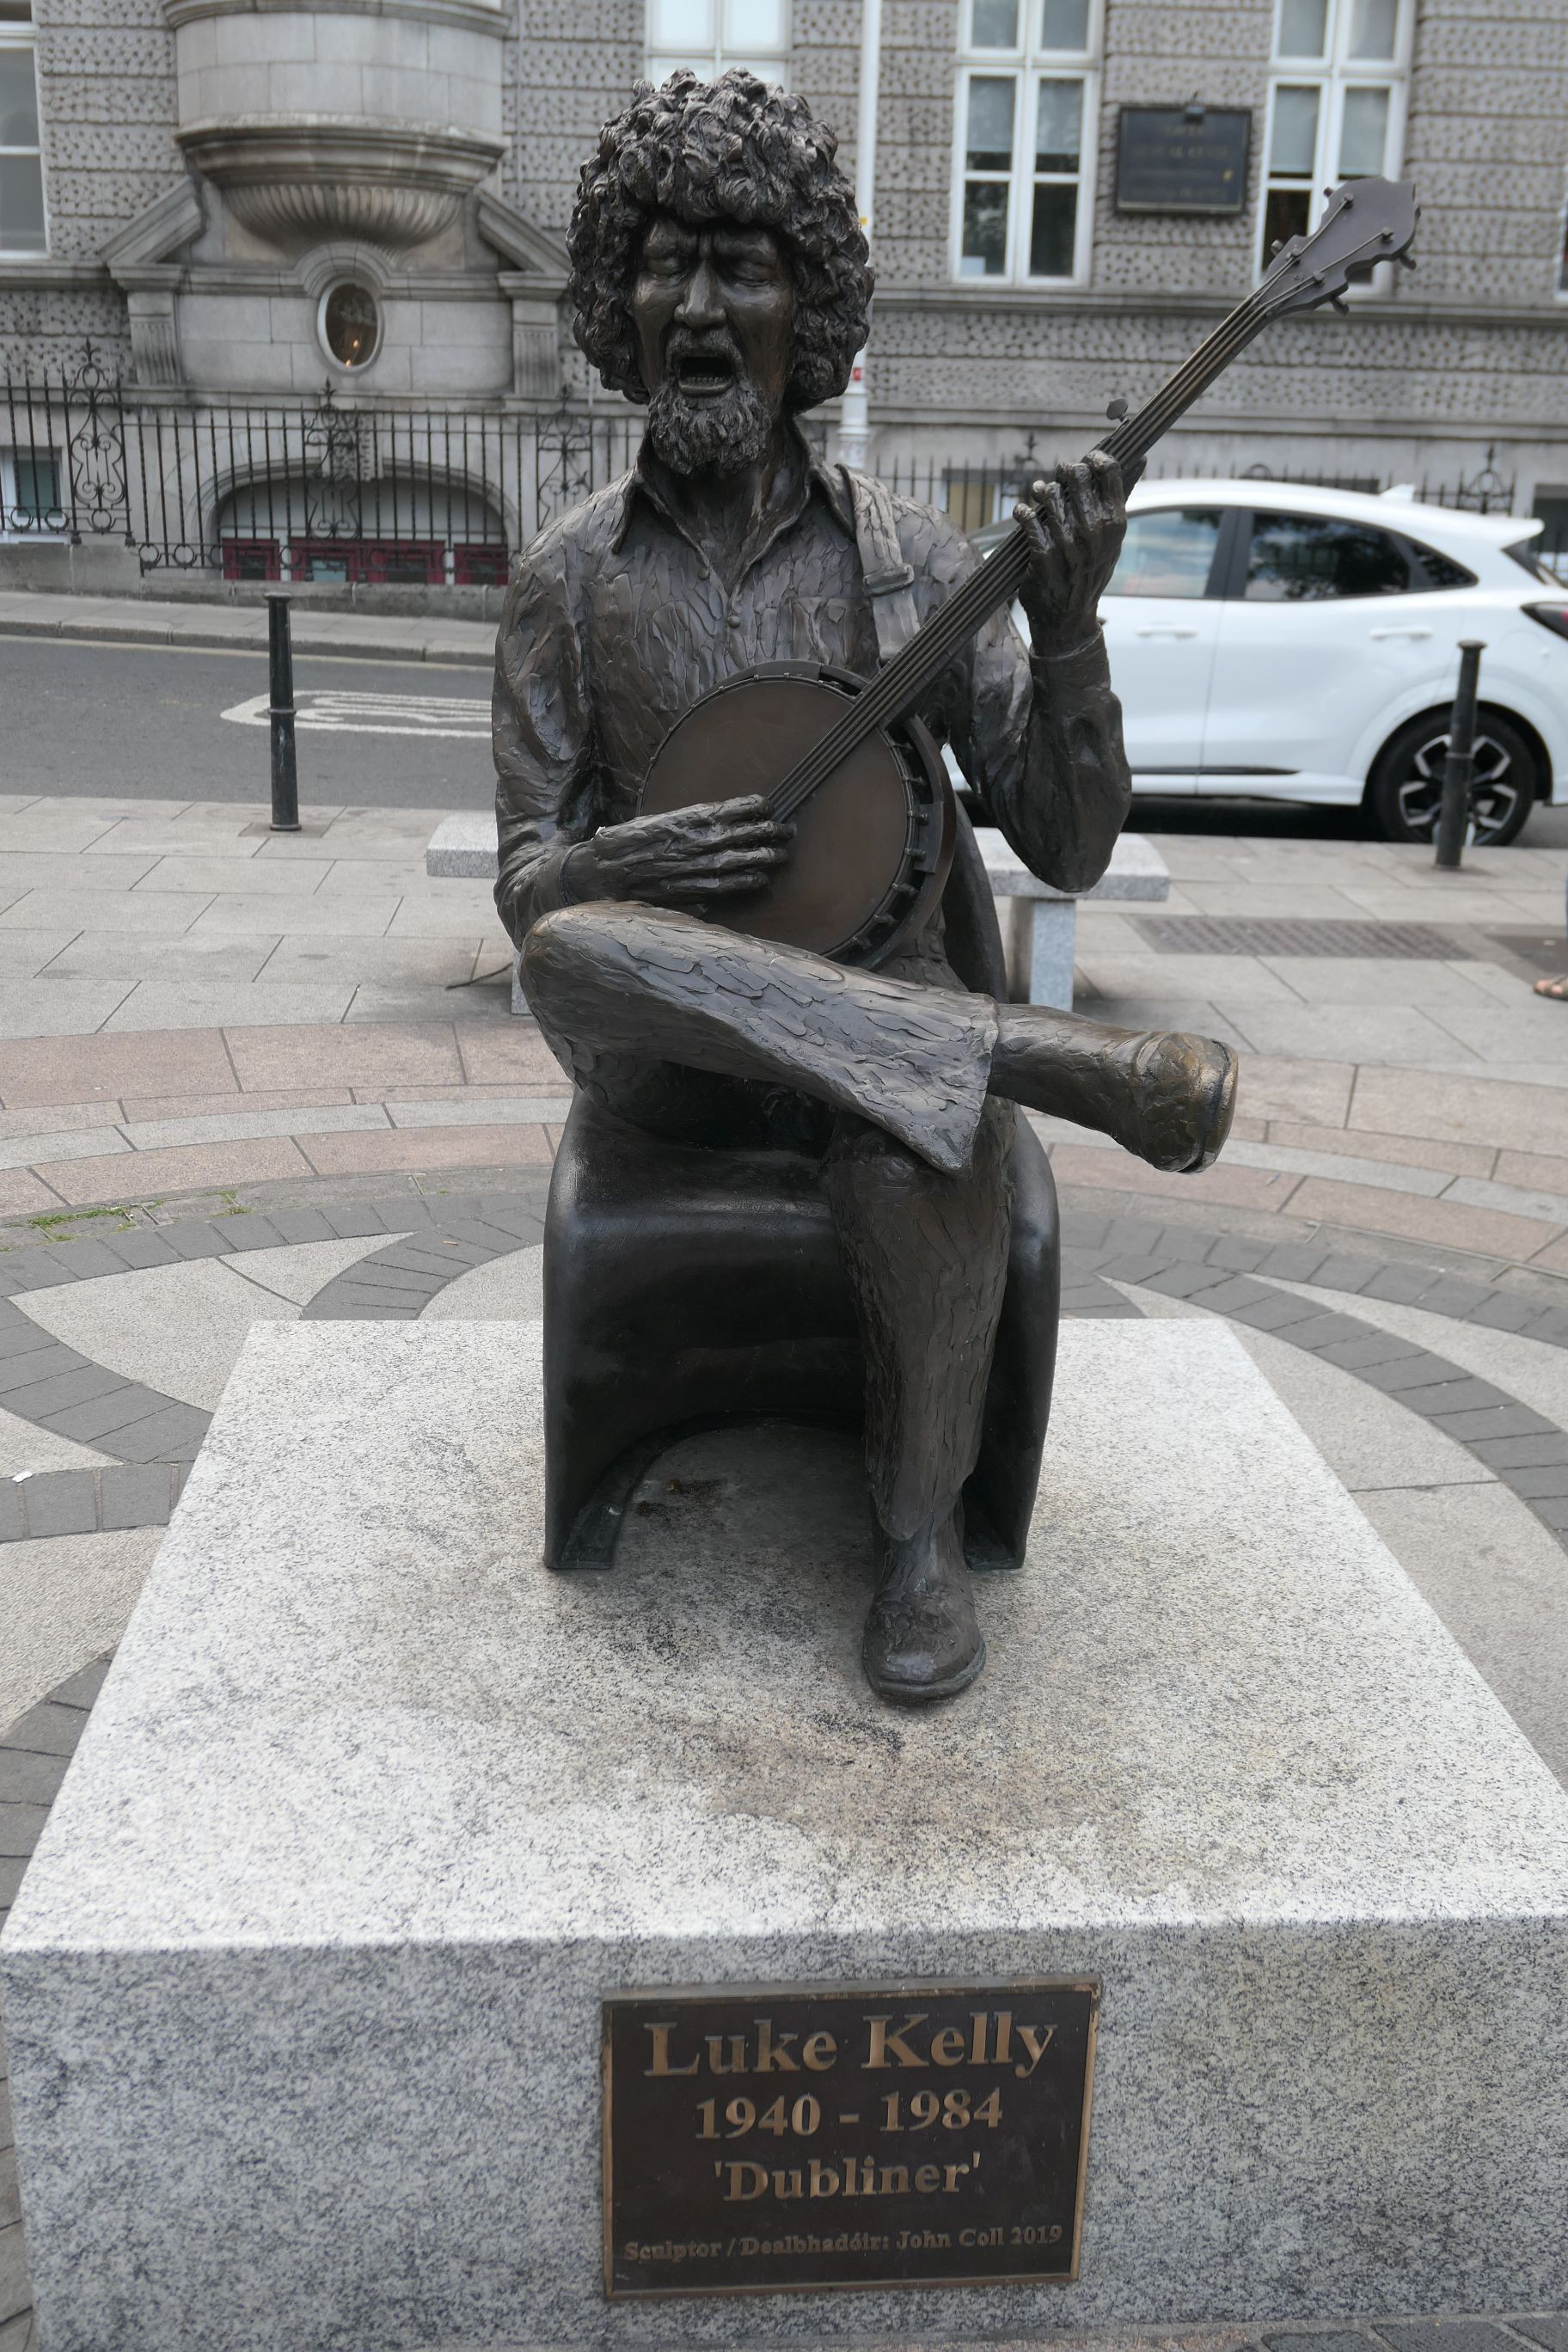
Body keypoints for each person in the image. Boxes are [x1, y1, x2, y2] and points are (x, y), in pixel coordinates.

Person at [493, 69, 1237, 1705]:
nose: (699, 307)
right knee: (569, 950)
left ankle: (914, 1539)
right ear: (618, 299)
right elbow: (530, 886)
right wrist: (620, 864)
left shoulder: (904, 559)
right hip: (673, 1060)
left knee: (924, 1131)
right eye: (666, 264)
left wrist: (1071, 627)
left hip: (875, 1050)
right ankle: (1028, 1060)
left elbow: (1067, 842)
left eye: (742, 268)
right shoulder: (565, 577)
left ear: (805, 310)